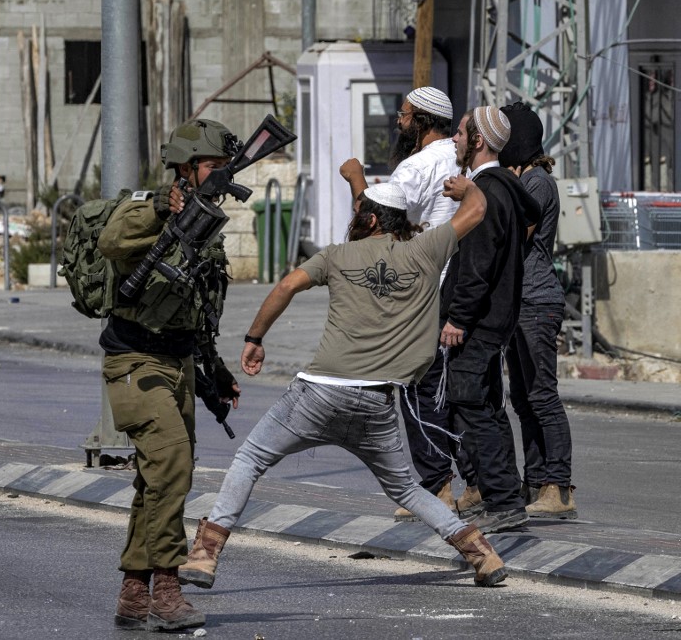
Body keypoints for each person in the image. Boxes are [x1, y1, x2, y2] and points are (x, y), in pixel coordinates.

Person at [178, 177, 510, 598]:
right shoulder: (426, 249)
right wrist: (466, 189)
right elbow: (477, 210)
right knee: (406, 487)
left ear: (369, 219)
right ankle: (482, 554)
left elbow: (286, 286)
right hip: (378, 400)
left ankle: (205, 555)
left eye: (357, 214)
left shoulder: (336, 255)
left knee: (249, 460)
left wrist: (255, 338)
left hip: (318, 395)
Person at [99, 119, 242, 633]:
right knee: (173, 463)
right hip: (134, 361)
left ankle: (135, 592)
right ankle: (167, 587)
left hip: (179, 362)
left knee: (155, 478)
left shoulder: (207, 222)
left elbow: (201, 306)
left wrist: (214, 373)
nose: (222, 174)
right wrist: (163, 207)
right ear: (187, 167)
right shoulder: (149, 207)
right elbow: (113, 241)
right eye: (213, 166)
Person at [341, 85, 478, 521]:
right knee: (453, 393)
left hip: (420, 292)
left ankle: (436, 487)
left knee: (419, 393)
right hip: (459, 289)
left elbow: (375, 219)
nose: (398, 122)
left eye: (403, 115)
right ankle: (475, 482)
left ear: (421, 120)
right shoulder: (461, 164)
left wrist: (355, 179)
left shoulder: (416, 167)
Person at [441, 107, 541, 534]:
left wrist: (458, 317)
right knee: (485, 404)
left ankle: (502, 499)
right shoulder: (502, 188)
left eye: (461, 134)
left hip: (478, 320)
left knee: (470, 407)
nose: (455, 141)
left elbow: (477, 265)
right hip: (494, 318)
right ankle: (507, 495)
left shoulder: (487, 193)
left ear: (478, 140)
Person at [499, 102, 577, 519]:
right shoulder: (524, 180)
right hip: (519, 301)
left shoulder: (537, 182)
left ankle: (559, 487)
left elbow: (515, 232)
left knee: (543, 396)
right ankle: (537, 480)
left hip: (538, 299)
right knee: (523, 398)